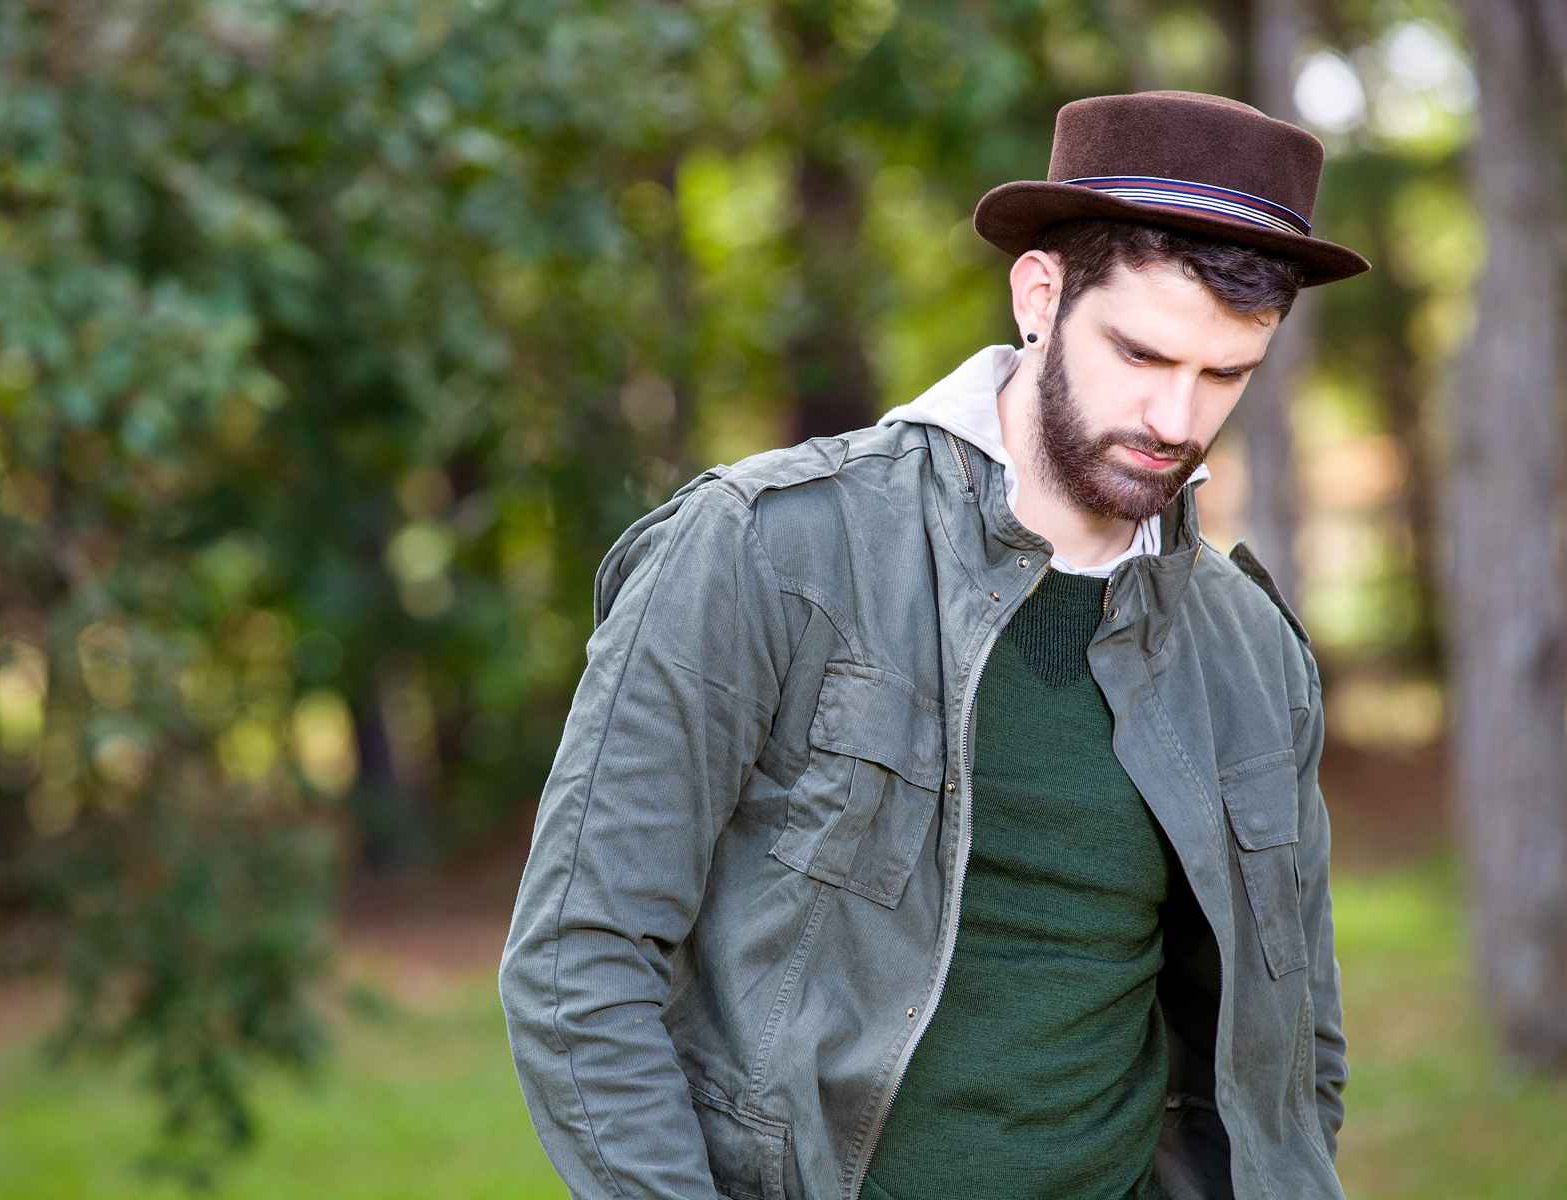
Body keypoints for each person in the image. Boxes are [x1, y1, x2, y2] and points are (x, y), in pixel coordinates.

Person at [500, 90, 1368, 1200]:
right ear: (1040, 296)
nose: (1175, 420)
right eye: (1141, 354)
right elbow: (579, 959)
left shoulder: (1251, 652)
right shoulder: (767, 549)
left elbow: (1294, 1054)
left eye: (1225, 375)